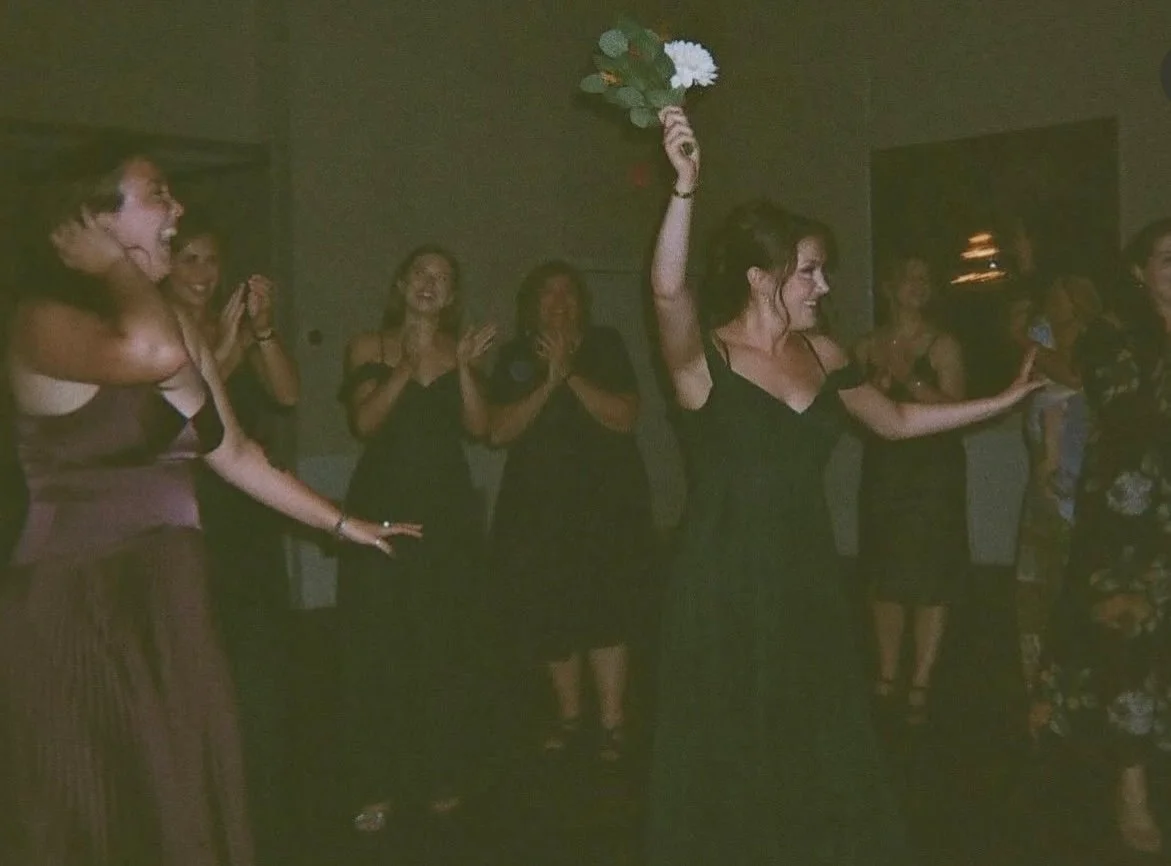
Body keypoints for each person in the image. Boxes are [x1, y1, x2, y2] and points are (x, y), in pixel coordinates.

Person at [0, 141, 420, 866]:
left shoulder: (175, 324)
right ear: (94, 217)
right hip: (81, 599)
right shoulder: (42, 318)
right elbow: (151, 355)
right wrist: (113, 264)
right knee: (95, 807)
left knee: (184, 794)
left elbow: (236, 453)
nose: (180, 208)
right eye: (158, 193)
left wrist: (343, 522)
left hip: (170, 598)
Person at [644, 108, 1044, 865]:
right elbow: (667, 293)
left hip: (804, 570)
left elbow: (896, 419)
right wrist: (685, 188)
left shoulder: (825, 354)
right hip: (723, 575)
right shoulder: (705, 362)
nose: (824, 284)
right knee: (729, 736)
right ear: (760, 277)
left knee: (812, 731)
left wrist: (1001, 399)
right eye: (809, 270)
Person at [338, 245, 495, 829]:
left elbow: (480, 429)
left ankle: (440, 774)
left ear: (452, 295)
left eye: (444, 277)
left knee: (443, 646)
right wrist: (407, 363)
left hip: (446, 513)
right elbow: (364, 423)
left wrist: (467, 369)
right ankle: (375, 783)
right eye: (422, 273)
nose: (432, 283)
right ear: (402, 283)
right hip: (380, 510)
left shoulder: (460, 351)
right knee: (376, 646)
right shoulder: (368, 345)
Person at [164, 217, 301, 864]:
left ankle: (258, 790)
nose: (201, 272)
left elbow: (288, 393)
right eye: (189, 258)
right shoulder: (159, 328)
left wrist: (262, 329)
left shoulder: (235, 325)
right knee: (196, 646)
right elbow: (185, 411)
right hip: (185, 505)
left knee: (258, 648)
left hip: (245, 507)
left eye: (210, 260)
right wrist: (224, 346)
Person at [1034, 218, 1171, 854]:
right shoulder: (1112, 332)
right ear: (1139, 272)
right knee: (1126, 647)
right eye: (1168, 258)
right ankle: (1131, 791)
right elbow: (1128, 410)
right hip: (1129, 522)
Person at [488, 260, 653, 764]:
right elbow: (498, 432)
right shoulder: (515, 356)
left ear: (582, 303)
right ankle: (569, 715)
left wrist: (569, 374)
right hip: (539, 507)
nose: (559, 303)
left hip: (608, 503)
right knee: (551, 607)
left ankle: (612, 721)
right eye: (548, 293)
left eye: (569, 293)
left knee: (608, 606)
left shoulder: (604, 345)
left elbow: (625, 417)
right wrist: (547, 381)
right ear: (531, 305)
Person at [854, 253, 968, 727]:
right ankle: (886, 674)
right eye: (910, 277)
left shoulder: (943, 344)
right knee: (886, 574)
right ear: (889, 285)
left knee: (930, 575)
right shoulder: (867, 344)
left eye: (926, 278)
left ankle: (920, 680)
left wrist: (908, 377)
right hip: (886, 469)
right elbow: (857, 416)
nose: (919, 285)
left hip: (933, 471)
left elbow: (957, 410)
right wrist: (878, 386)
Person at [1009, 275, 1098, 699]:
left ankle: (1074, 688)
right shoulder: (1043, 333)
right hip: (1044, 483)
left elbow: (1075, 378)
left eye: (1059, 295)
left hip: (1077, 490)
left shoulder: (1095, 342)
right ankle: (1038, 690)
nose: (1051, 301)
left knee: (1070, 587)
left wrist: (1024, 342)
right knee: (1035, 591)